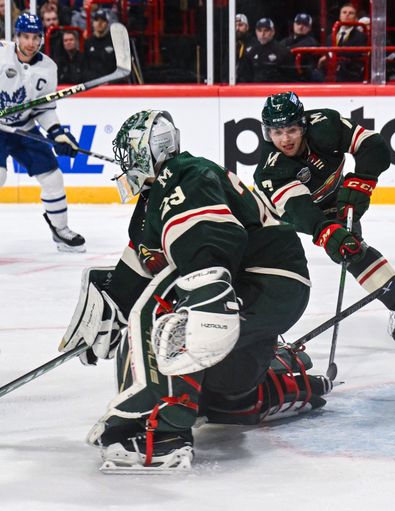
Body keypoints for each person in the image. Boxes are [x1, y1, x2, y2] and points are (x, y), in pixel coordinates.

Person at [57, 109, 332, 471]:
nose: (125, 162)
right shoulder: (154, 200)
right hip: (263, 287)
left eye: (130, 153)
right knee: (224, 400)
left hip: (266, 280)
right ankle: (280, 381)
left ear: (150, 151)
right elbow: (134, 274)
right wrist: (107, 313)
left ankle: (163, 433)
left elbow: (211, 244)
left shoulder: (186, 174)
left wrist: (204, 304)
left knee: (165, 318)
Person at [253, 91, 395, 350]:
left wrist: (363, 181)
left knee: (352, 249)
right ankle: (258, 330)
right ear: (268, 134)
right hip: (277, 219)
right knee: (269, 266)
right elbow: (302, 212)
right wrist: (327, 233)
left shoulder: (326, 124)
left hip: (333, 199)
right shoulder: (271, 170)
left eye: (290, 129)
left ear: (303, 124)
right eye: (277, 132)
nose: (285, 139)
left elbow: (373, 145)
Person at [0, 13, 83, 252]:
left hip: (23, 128)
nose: (30, 43)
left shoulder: (48, 68)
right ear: (16, 37)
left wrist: (57, 133)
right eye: (25, 37)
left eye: (35, 37)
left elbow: (44, 109)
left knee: (52, 177)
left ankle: (60, 230)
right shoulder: (1, 53)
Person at [319, 3, 368, 82]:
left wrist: (332, 56)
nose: (347, 15)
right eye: (344, 12)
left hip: (350, 74)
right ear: (340, 16)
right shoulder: (330, 37)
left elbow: (353, 54)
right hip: (330, 74)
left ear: (355, 17)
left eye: (351, 13)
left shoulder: (361, 36)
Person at [238, 17, 292, 83]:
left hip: (277, 90)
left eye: (266, 30)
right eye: (259, 30)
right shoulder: (251, 52)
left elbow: (290, 77)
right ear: (256, 32)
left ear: (273, 32)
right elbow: (245, 77)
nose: (262, 34)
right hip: (255, 90)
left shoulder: (282, 51)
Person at [281, 12, 324, 82]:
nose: (300, 27)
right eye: (298, 24)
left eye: (305, 25)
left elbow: (288, 51)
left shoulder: (311, 42)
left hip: (304, 77)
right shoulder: (287, 40)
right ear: (294, 25)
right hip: (287, 75)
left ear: (309, 28)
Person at [84, 9, 116, 81]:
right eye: (96, 20)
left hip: (110, 83)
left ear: (107, 23)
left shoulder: (113, 42)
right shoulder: (88, 42)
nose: (99, 23)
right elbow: (85, 66)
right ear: (93, 23)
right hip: (93, 83)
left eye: (103, 20)